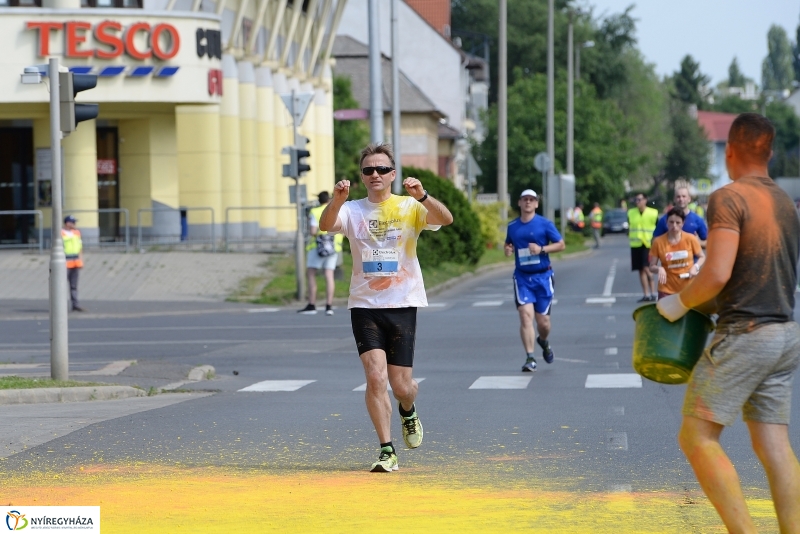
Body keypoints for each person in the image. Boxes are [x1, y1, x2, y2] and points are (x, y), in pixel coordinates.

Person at [657, 113, 800, 532]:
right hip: (785, 334)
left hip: (745, 333)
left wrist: (679, 303)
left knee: (696, 437)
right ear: (770, 153)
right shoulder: (785, 205)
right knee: (773, 443)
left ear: (731, 151)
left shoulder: (729, 197)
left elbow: (718, 272)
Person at [318, 142, 453, 473]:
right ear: (362, 176)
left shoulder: (409, 206)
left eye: (381, 169)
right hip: (364, 306)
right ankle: (386, 450)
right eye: (368, 170)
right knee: (375, 377)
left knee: (401, 386)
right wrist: (335, 201)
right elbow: (325, 225)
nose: (374, 174)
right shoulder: (352, 210)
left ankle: (408, 409)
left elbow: (446, 219)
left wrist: (422, 195)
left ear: (392, 174)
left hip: (402, 303)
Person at [504, 189, 566, 373]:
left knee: (543, 323)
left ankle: (544, 341)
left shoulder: (545, 224)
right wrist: (507, 249)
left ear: (537, 204)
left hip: (543, 277)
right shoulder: (513, 226)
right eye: (525, 199)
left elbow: (561, 245)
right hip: (522, 277)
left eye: (532, 200)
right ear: (520, 203)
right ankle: (530, 357)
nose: (528, 202)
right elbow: (509, 244)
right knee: (525, 315)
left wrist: (542, 249)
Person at [298, 191, 344, 316]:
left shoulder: (315, 212)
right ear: (329, 199)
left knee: (311, 274)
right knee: (329, 275)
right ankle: (329, 306)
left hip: (317, 247)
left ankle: (312, 304)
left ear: (319, 200)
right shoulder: (337, 211)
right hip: (333, 247)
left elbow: (313, 231)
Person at [648, 208, 705, 299]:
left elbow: (702, 257)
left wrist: (696, 267)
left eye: (678, 223)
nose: (674, 226)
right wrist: (659, 269)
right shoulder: (658, 242)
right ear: (666, 222)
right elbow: (651, 266)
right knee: (666, 313)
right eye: (671, 222)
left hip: (688, 288)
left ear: (683, 223)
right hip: (666, 289)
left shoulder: (690, 239)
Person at [627, 193, 659, 302]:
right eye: (636, 199)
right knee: (640, 270)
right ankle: (646, 294)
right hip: (636, 244)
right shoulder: (631, 213)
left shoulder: (653, 213)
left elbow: (658, 229)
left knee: (647, 268)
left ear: (645, 200)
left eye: (639, 199)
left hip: (648, 244)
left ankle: (653, 293)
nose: (637, 202)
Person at [62, 215, 86, 312]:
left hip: (75, 262)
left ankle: (75, 304)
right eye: (73, 222)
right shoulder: (61, 233)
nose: (75, 224)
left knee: (74, 286)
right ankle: (60, 305)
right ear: (67, 223)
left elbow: (80, 247)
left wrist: (81, 260)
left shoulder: (77, 232)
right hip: (65, 263)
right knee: (61, 286)